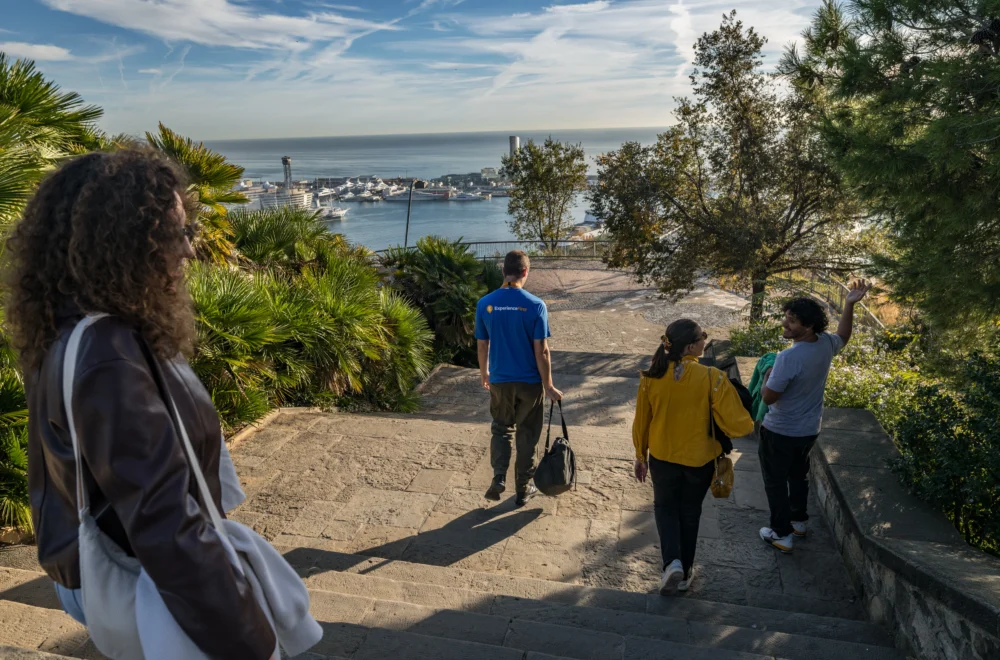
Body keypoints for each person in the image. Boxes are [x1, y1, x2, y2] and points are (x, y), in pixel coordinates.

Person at [6, 150, 276, 658]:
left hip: (86, 561)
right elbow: (164, 522)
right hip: (129, 574)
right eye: (173, 234)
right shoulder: (108, 354)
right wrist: (250, 640)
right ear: (125, 244)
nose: (189, 249)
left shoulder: (64, 325)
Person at [632, 320, 753, 595]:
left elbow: (642, 420)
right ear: (690, 346)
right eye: (702, 338)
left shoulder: (651, 376)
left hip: (662, 456)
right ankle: (685, 572)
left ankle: (671, 562)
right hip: (699, 460)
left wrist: (641, 454)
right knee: (689, 511)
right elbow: (741, 426)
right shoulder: (712, 377)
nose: (704, 341)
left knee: (665, 508)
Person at [758, 282, 871, 553]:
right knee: (799, 476)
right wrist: (849, 304)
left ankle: (781, 533)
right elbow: (843, 335)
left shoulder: (788, 357)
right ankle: (798, 521)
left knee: (775, 481)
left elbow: (768, 398)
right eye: (786, 317)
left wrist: (766, 376)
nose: (785, 324)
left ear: (808, 326)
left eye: (791, 321)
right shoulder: (825, 345)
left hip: (780, 430)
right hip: (808, 430)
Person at [474, 250, 562, 507]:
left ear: (503, 271)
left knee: (501, 429)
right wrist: (549, 385)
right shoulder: (536, 305)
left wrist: (484, 373)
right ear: (525, 272)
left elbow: (482, 345)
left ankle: (499, 477)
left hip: (500, 380)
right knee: (527, 435)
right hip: (529, 383)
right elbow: (542, 350)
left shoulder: (485, 304)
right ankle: (523, 488)